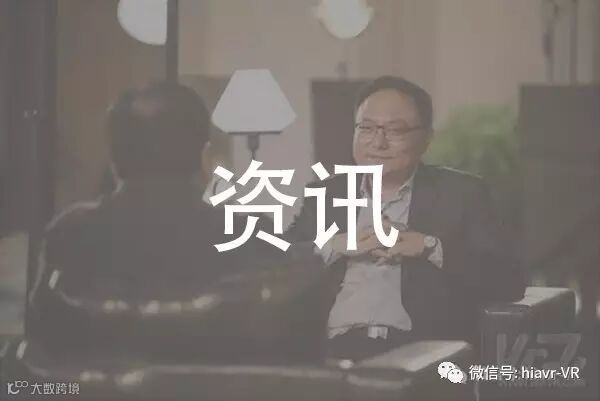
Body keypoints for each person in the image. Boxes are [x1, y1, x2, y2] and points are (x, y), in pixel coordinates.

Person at [26, 82, 313, 363]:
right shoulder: (252, 236)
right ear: (204, 157)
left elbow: (40, 343)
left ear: (114, 161)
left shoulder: (69, 233)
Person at [287, 76, 526, 361]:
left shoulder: (462, 194)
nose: (378, 142)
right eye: (366, 128)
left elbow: (509, 281)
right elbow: (275, 263)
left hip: (421, 354)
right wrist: (335, 245)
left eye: (395, 130)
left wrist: (430, 247)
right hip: (330, 351)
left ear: (426, 139)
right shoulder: (325, 195)